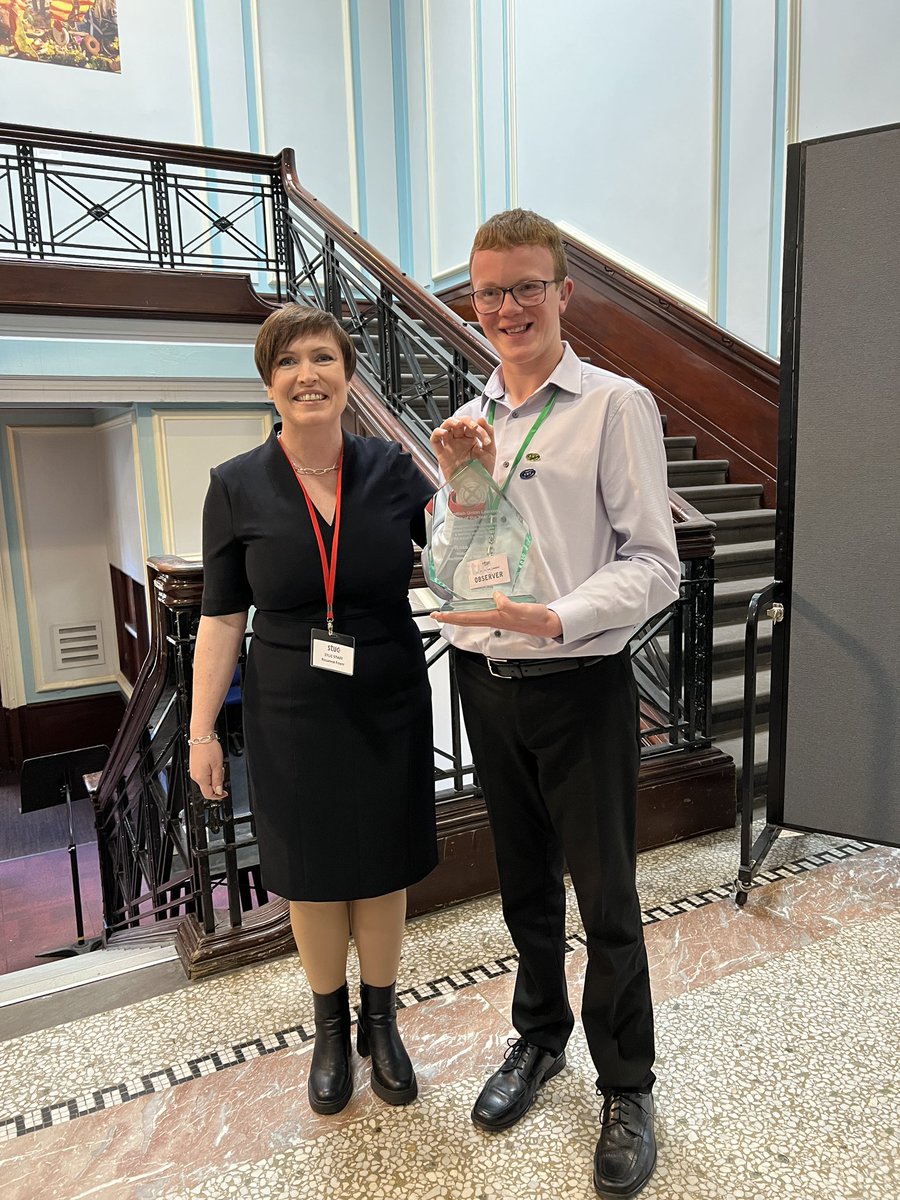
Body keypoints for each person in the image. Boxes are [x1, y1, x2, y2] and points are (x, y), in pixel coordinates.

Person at [428, 209, 680, 1199]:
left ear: (564, 291)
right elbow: (454, 555)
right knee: (524, 885)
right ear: (475, 303)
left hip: (579, 684)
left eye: (526, 286)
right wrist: (456, 487)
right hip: (486, 687)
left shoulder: (615, 405)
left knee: (606, 894)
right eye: (491, 292)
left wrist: (558, 617)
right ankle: (539, 1040)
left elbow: (655, 565)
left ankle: (628, 1082)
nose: (507, 307)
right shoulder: (471, 414)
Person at [189, 304, 437, 1116]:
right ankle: (331, 1030)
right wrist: (199, 733)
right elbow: (223, 617)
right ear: (269, 384)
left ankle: (381, 1019)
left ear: (348, 374)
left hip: (389, 691)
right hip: (292, 702)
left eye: (324, 358)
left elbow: (466, 552)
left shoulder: (395, 470)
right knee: (314, 873)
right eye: (290, 361)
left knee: (383, 863)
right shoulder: (234, 485)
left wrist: (469, 478)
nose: (308, 374)